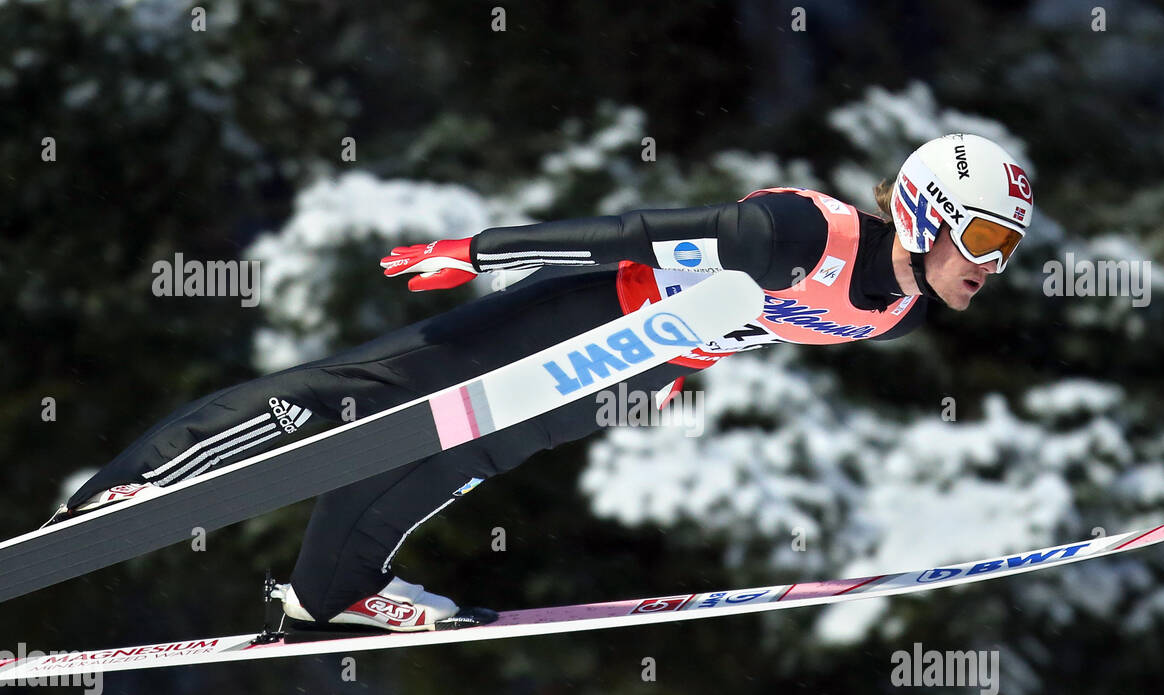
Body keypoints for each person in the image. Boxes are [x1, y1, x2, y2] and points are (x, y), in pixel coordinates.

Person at [54, 133, 1034, 631]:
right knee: (358, 396)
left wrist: (677, 369)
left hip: (630, 363)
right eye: (984, 235)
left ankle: (331, 593)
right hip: (586, 313)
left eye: (1007, 247)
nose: (989, 263)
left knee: (455, 453)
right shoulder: (806, 230)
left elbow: (747, 321)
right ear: (925, 206)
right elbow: (638, 234)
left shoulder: (892, 305)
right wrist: (479, 250)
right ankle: (135, 492)